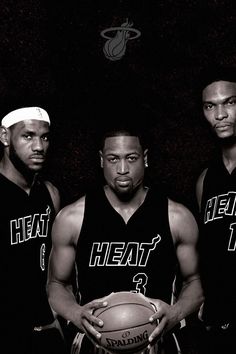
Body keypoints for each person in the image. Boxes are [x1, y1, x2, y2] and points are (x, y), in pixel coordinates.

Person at [47, 125, 203, 354]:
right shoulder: (72, 218)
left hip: (158, 346)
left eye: (131, 158)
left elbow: (195, 282)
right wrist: (75, 314)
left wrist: (175, 313)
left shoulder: (176, 217)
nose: (122, 169)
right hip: (94, 346)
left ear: (145, 158)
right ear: (101, 160)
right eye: (113, 159)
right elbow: (56, 284)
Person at [0, 106, 66, 354]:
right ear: (5, 137)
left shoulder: (50, 193)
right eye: (28, 136)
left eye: (45, 137)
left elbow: (55, 268)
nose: (39, 146)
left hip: (44, 328)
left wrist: (54, 317)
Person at [196, 65, 236, 354]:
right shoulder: (205, 180)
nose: (219, 115)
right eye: (210, 106)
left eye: (230, 103)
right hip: (218, 322)